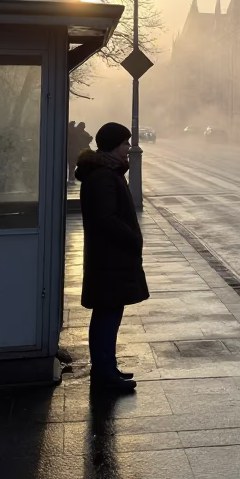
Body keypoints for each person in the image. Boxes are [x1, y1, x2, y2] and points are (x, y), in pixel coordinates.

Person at [75, 122, 148, 393]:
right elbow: (106, 218)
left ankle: (107, 368)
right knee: (107, 315)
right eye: (125, 143)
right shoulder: (104, 176)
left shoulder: (104, 172)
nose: (129, 148)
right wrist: (131, 237)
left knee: (109, 313)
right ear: (114, 145)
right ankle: (104, 373)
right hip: (109, 259)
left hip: (108, 258)